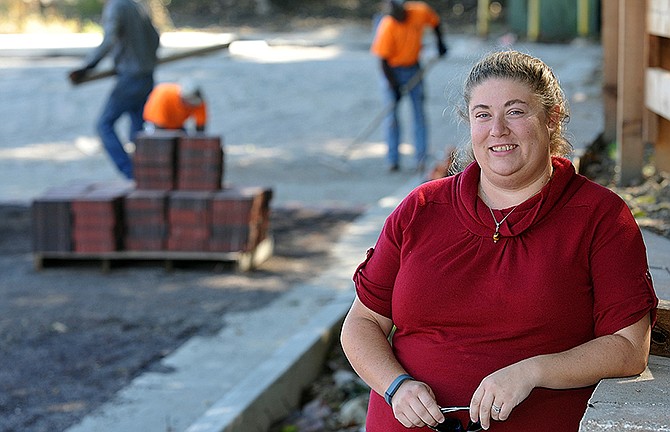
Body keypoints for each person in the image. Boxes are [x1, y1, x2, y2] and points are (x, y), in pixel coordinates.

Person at [340, 50, 658, 432]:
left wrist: (533, 371)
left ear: (551, 118)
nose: (498, 130)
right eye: (483, 114)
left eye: (516, 111)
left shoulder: (598, 216)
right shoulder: (420, 208)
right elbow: (361, 323)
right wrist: (397, 386)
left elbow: (628, 348)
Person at [69, 0, 160, 179]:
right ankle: (145, 172)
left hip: (131, 78)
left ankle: (131, 172)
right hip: (146, 76)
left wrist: (88, 66)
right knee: (138, 128)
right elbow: (155, 38)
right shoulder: (136, 5)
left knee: (104, 125)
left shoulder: (117, 6)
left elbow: (109, 40)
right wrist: (145, 59)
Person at [371, 0, 447, 173]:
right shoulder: (388, 26)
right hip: (392, 72)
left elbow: (436, 23)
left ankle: (421, 159)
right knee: (391, 117)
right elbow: (383, 62)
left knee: (419, 113)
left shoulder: (419, 11)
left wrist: (440, 43)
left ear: (403, 8)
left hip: (413, 68)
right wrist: (394, 86)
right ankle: (393, 160)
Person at [143, 80, 207, 133]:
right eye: (189, 104)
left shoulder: (198, 103)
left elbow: (200, 127)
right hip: (156, 125)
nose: (191, 107)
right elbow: (158, 126)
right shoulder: (164, 95)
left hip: (177, 126)